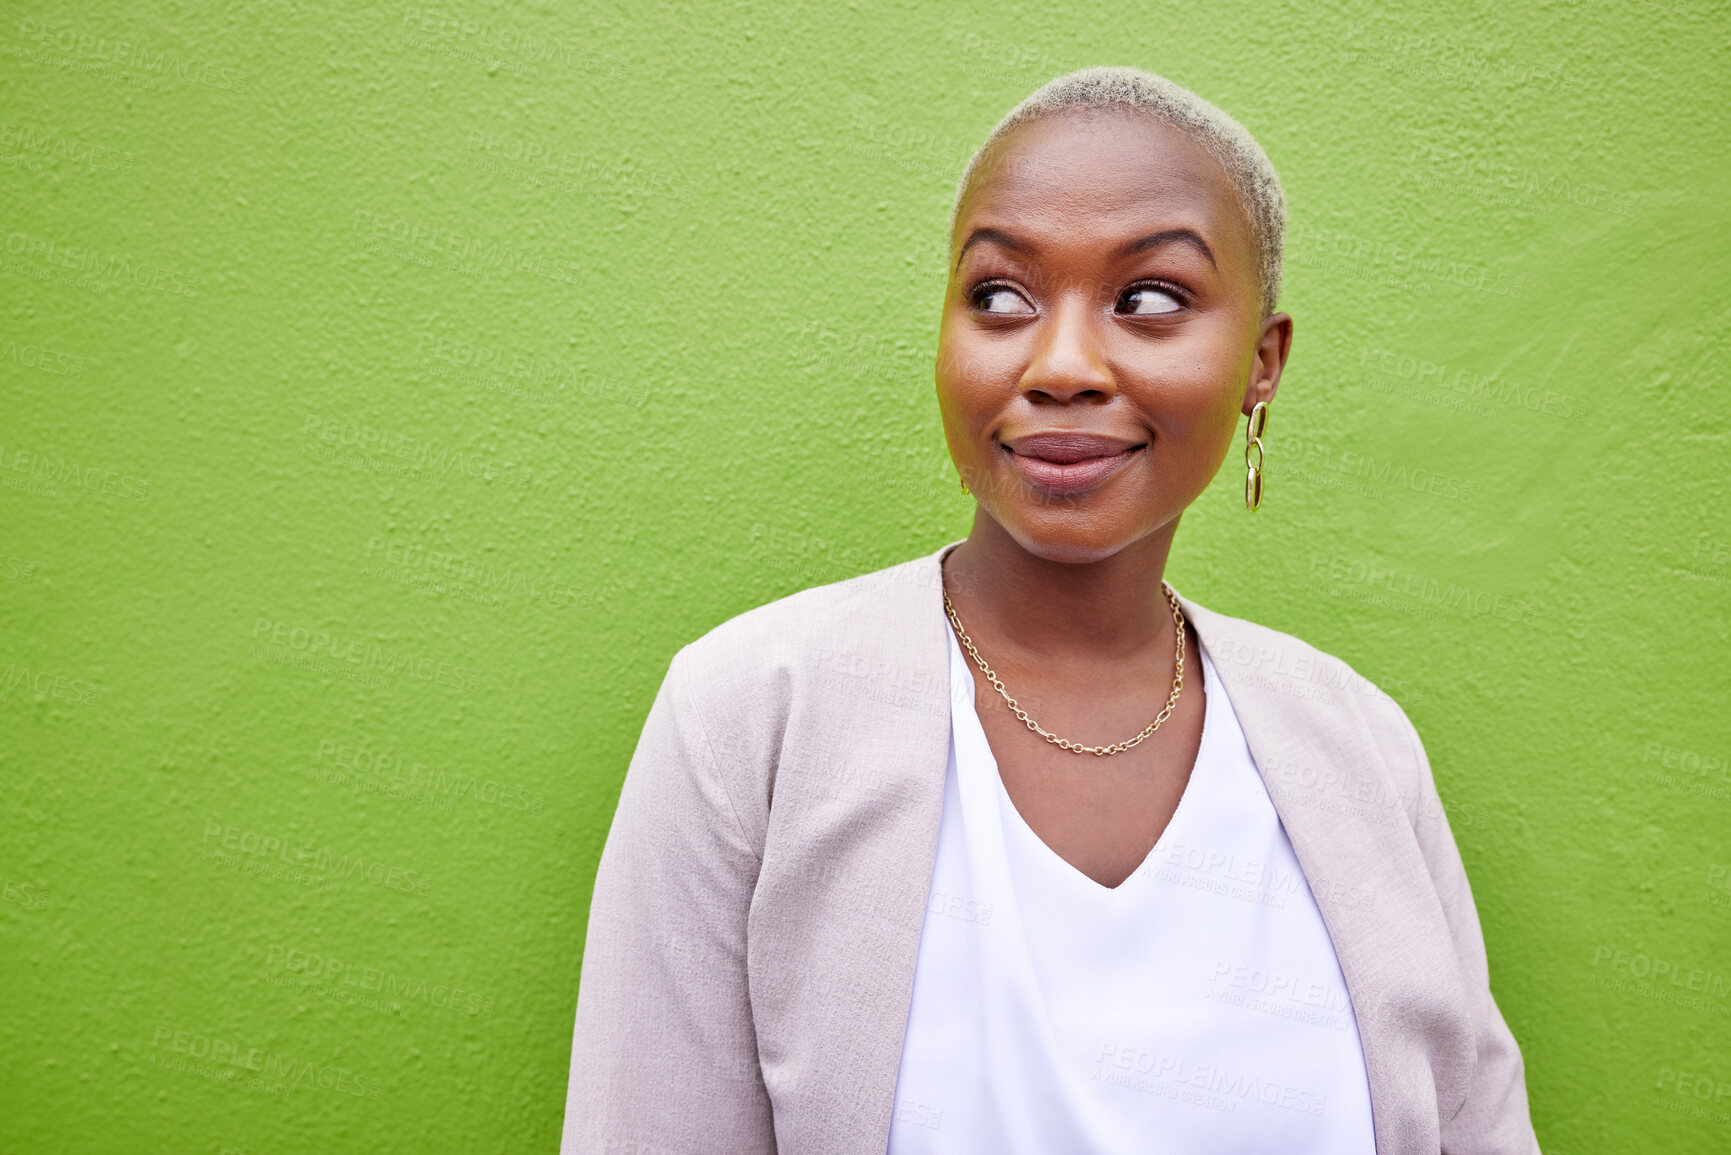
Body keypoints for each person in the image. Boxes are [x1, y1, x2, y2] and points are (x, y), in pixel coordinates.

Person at [561, 66, 1540, 1155]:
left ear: (1262, 365)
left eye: (1150, 299)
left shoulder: (1359, 749)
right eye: (1000, 297)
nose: (1062, 363)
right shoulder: (751, 715)